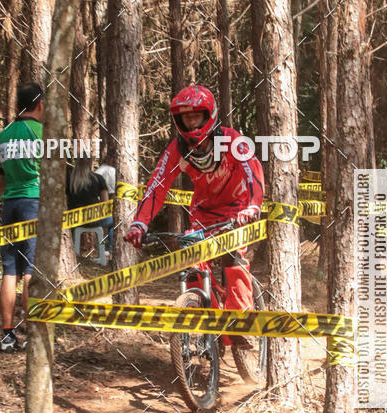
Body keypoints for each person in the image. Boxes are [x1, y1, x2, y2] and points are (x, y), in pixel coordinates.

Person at [124, 85, 265, 343]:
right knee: (192, 264)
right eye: (186, 118)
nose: (191, 123)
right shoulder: (177, 149)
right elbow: (157, 186)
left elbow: (253, 170)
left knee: (233, 258)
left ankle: (241, 325)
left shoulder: (231, 140)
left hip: (237, 209)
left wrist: (253, 205)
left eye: (196, 116)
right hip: (202, 212)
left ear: (209, 115)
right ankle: (205, 323)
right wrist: (139, 224)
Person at [0, 82, 43, 352]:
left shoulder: (4, 135)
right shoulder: (42, 133)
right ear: (40, 105)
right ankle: (34, 332)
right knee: (31, 270)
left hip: (9, 204)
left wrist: (14, 182)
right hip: (33, 202)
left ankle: (7, 335)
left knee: (10, 270)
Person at [66, 157, 114, 251]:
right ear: (91, 164)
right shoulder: (98, 178)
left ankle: (71, 250)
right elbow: (105, 203)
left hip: (73, 220)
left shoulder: (69, 180)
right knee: (115, 222)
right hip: (94, 219)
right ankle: (111, 250)